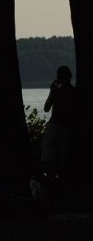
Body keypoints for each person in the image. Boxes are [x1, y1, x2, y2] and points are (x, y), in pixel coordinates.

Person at [42, 65, 77, 194]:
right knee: (64, 162)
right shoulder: (75, 92)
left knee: (50, 162)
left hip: (53, 126)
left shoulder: (56, 91)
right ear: (70, 77)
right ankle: (63, 190)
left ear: (58, 78)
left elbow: (46, 108)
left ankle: (51, 190)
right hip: (66, 129)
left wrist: (52, 90)